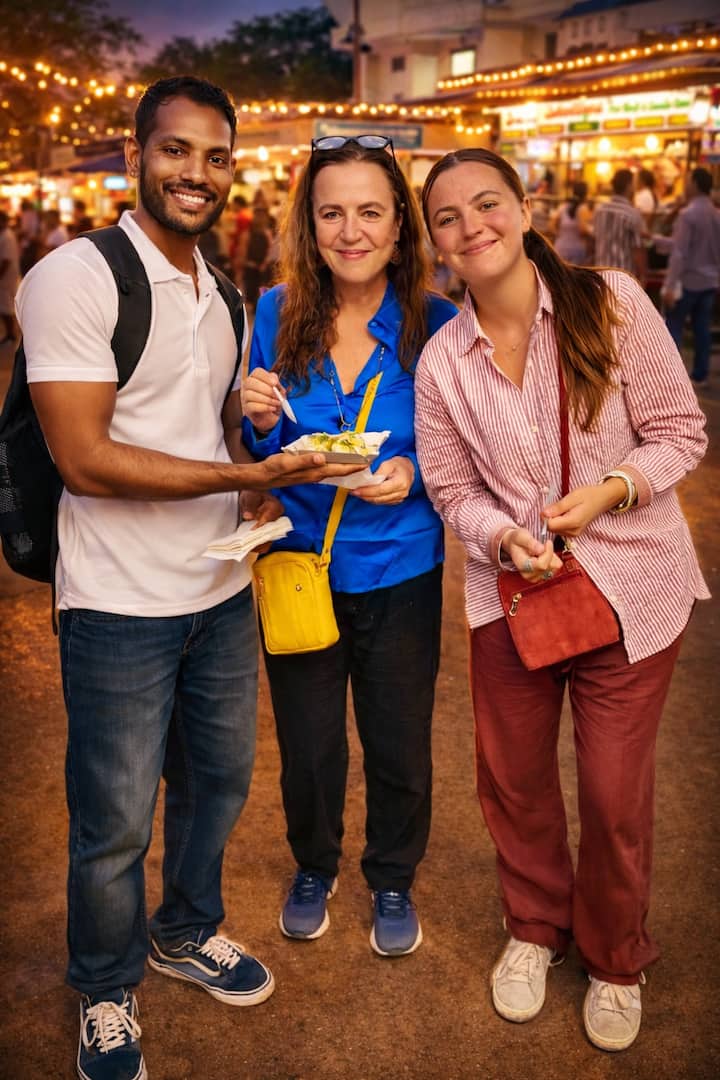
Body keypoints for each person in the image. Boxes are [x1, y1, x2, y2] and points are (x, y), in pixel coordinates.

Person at [16, 76, 363, 1080]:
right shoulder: (75, 277)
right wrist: (244, 477)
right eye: (176, 150)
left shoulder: (225, 292)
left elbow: (208, 434)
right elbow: (85, 458)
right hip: (118, 601)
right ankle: (106, 985)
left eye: (216, 157)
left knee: (217, 784)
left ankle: (185, 930)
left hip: (218, 591)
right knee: (115, 819)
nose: (196, 174)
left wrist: (258, 478)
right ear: (138, 154)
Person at [415, 148, 708, 1053]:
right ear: (436, 245)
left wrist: (611, 490)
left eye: (487, 203)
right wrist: (503, 536)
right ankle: (535, 927)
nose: (472, 226)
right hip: (514, 598)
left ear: (525, 205)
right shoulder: (442, 361)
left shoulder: (609, 301)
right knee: (514, 781)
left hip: (634, 585)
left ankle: (616, 956)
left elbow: (680, 432)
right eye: (448, 218)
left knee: (614, 794)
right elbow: (450, 490)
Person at [241, 134, 457, 958]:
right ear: (310, 224)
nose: (351, 230)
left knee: (398, 739)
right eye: (331, 212)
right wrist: (260, 418)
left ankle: (393, 875)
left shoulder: (437, 323)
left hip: (401, 560)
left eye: (370, 211)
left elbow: (462, 448)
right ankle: (314, 864)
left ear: (400, 225)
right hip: (298, 559)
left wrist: (415, 471)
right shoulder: (275, 312)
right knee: (308, 741)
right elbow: (259, 445)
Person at [661, 166, 720, 385]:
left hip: (687, 281)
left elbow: (680, 252)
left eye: (687, 181)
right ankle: (700, 374)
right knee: (702, 328)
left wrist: (669, 285)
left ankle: (672, 376)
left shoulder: (688, 215)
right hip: (709, 282)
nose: (685, 186)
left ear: (694, 183)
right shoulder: (716, 215)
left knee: (674, 326)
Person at [592, 167, 646, 284]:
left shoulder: (599, 210)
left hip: (601, 273)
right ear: (629, 186)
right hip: (623, 276)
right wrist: (642, 276)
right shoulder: (632, 213)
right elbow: (638, 250)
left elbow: (592, 241)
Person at [549, 181, 593, 264]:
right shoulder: (583, 208)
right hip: (576, 249)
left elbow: (551, 225)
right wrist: (592, 232)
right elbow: (583, 229)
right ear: (585, 194)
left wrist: (560, 235)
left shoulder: (563, 206)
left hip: (560, 247)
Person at [0, 209, 20, 344]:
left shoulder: (7, 236)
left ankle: (11, 334)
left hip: (6, 276)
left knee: (6, 306)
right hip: (5, 275)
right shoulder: (4, 234)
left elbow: (6, 260)